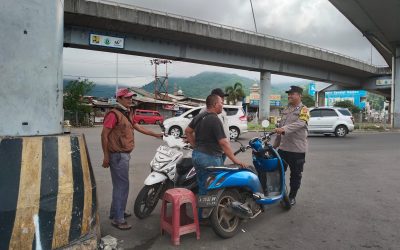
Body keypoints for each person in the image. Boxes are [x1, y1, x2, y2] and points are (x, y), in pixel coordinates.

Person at [101, 88, 163, 230]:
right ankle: (118, 219)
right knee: (122, 186)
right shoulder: (113, 114)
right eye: (127, 98)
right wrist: (106, 156)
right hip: (117, 155)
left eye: (130, 97)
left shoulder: (127, 113)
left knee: (121, 186)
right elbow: (104, 135)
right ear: (119, 99)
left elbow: (138, 127)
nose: (130, 100)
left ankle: (116, 212)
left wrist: (156, 135)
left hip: (123, 155)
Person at [185, 94, 246, 198]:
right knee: (214, 189)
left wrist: (195, 146)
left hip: (197, 156)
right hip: (210, 158)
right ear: (215, 104)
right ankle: (209, 213)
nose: (223, 105)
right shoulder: (214, 119)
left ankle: (201, 212)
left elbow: (188, 131)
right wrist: (235, 160)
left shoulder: (200, 116)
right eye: (221, 103)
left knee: (203, 186)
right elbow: (223, 142)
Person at [273, 86, 309, 206]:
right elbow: (280, 127)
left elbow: (300, 123)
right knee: (279, 173)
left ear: (299, 95)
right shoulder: (286, 110)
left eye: (292, 94)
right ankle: (281, 193)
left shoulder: (304, 110)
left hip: (297, 150)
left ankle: (292, 196)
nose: (289, 96)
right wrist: (275, 146)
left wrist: (283, 129)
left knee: (295, 175)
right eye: (288, 94)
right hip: (283, 149)